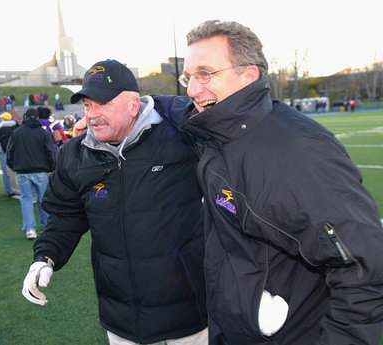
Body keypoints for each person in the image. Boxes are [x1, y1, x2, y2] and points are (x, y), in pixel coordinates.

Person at [153, 20, 383, 345]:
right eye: (188, 77)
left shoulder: (297, 151)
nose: (192, 89)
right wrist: (146, 102)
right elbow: (179, 108)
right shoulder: (217, 132)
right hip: (232, 330)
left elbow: (363, 265)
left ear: (249, 75)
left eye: (206, 74)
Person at [21, 59, 207, 345]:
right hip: (122, 316)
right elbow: (65, 217)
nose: (92, 114)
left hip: (189, 312)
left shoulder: (181, 138)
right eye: (87, 105)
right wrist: (45, 258)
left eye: (103, 103)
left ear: (135, 105)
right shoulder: (74, 155)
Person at [6, 108, 56, 240]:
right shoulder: (43, 133)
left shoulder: (17, 133)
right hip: (40, 171)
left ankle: (30, 229)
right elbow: (51, 152)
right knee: (42, 199)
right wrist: (51, 167)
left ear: (25, 117)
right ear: (38, 118)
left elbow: (9, 153)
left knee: (27, 199)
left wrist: (15, 166)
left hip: (23, 171)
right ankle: (46, 225)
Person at [0, 112, 19, 197]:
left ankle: (9, 190)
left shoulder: (2, 127)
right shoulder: (15, 126)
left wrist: (3, 137)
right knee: (16, 171)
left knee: (6, 172)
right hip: (15, 150)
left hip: (4, 150)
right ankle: (17, 188)